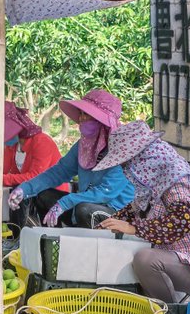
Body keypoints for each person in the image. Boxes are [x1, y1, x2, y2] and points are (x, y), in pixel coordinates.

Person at [95, 121, 190, 304]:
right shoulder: (154, 183)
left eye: (127, 163)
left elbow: (180, 222)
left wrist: (132, 228)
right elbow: (136, 210)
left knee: (145, 259)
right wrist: (111, 223)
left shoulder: (177, 180)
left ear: (144, 158)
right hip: (177, 258)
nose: (126, 170)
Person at [8, 89, 135, 228]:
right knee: (43, 195)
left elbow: (107, 193)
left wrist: (66, 202)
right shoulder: (83, 145)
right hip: (85, 203)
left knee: (84, 209)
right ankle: (50, 245)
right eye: (81, 113)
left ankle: (88, 249)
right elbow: (58, 172)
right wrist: (25, 189)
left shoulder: (121, 149)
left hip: (116, 213)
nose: (81, 118)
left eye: (86, 114)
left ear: (101, 120)